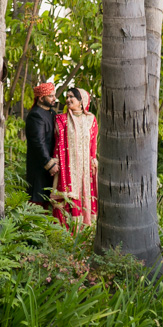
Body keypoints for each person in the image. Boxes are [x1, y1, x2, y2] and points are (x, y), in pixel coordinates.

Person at [52, 88, 98, 228]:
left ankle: (86, 232)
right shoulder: (61, 119)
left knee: (86, 196)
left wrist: (93, 159)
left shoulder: (91, 119)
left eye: (72, 97)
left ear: (81, 101)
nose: (68, 100)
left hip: (86, 168)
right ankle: (66, 235)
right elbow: (56, 143)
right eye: (67, 96)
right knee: (68, 197)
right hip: (68, 167)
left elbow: (93, 143)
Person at [25, 82, 58, 209]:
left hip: (50, 167)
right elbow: (38, 142)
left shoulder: (51, 113)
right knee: (37, 203)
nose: (54, 99)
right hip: (40, 167)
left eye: (54, 95)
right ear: (41, 98)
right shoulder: (36, 115)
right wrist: (49, 163)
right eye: (51, 96)